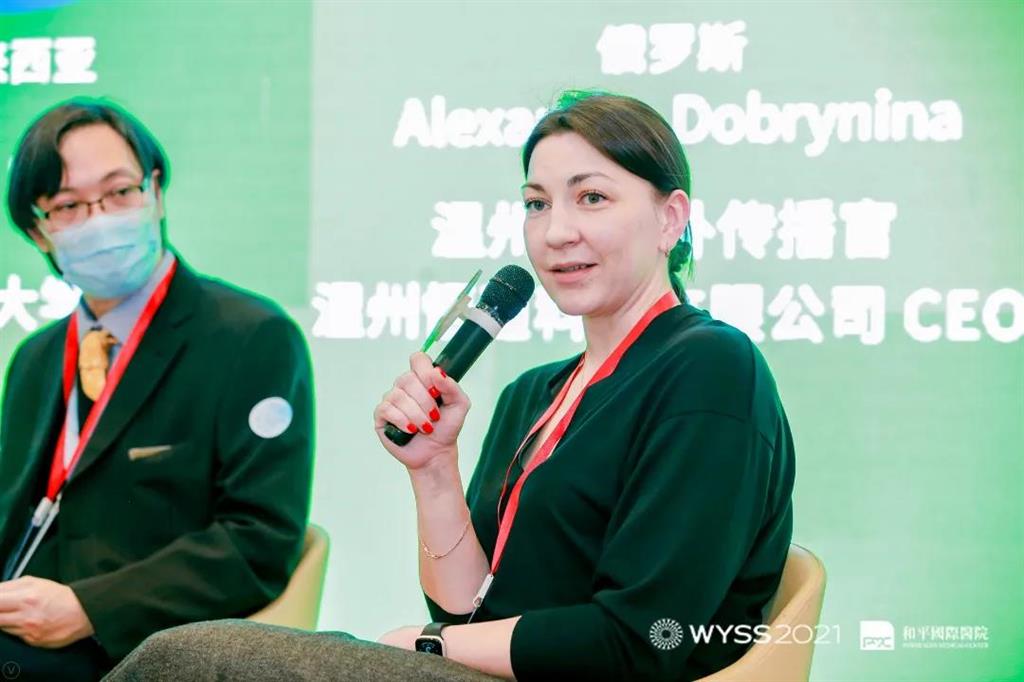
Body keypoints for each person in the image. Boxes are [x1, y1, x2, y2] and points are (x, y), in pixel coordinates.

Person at [107, 90, 794, 682]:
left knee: (188, 659)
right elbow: (469, 611)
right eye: (536, 203)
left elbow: (646, 638)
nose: (556, 231)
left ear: (671, 218)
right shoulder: (535, 392)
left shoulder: (709, 366)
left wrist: (427, 645)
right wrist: (433, 471)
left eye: (592, 197)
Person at [0, 99, 315, 681]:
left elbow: (258, 542)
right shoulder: (36, 358)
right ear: (38, 231)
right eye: (68, 206)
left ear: (156, 191)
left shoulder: (251, 337)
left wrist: (89, 609)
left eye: (120, 192)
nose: (99, 220)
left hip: (142, 647)